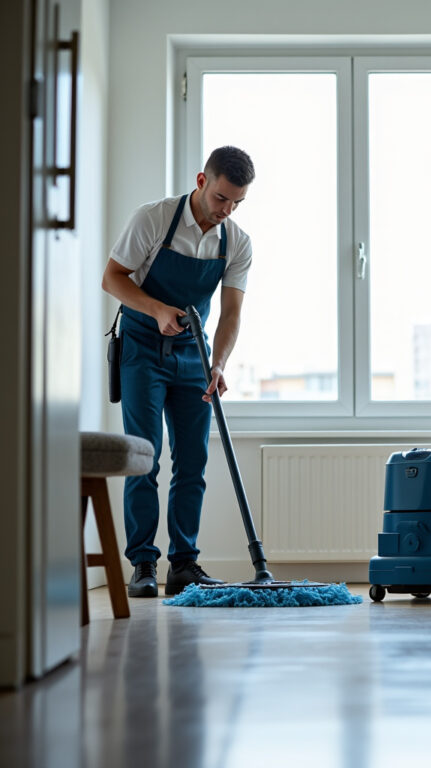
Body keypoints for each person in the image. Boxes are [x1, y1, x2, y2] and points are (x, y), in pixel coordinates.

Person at [102, 146, 255, 598]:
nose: (226, 211)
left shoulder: (237, 242)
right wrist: (156, 310)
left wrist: (218, 363)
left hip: (194, 354)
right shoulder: (153, 219)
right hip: (141, 349)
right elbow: (112, 277)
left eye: (237, 203)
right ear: (201, 181)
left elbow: (230, 314)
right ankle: (143, 563)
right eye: (221, 198)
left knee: (192, 461)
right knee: (144, 457)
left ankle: (184, 565)